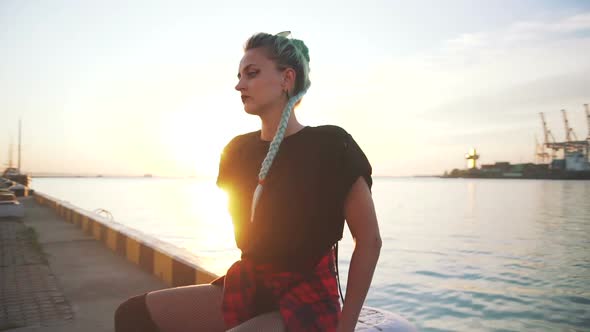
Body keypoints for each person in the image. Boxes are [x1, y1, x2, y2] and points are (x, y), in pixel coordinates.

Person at [114, 31, 382, 332]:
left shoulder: (332, 145)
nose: (239, 85)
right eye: (239, 75)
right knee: (132, 314)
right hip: (249, 286)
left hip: (308, 296)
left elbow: (369, 241)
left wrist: (345, 328)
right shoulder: (236, 151)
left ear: (287, 78)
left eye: (251, 74)